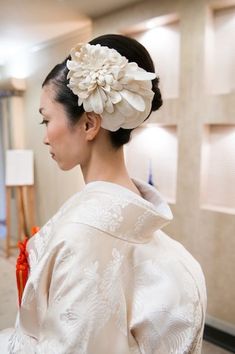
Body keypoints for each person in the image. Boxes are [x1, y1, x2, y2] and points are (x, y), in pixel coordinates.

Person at [0, 34, 207, 353]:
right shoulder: (152, 231)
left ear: (89, 125)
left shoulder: (81, 238)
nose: (44, 138)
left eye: (46, 119)